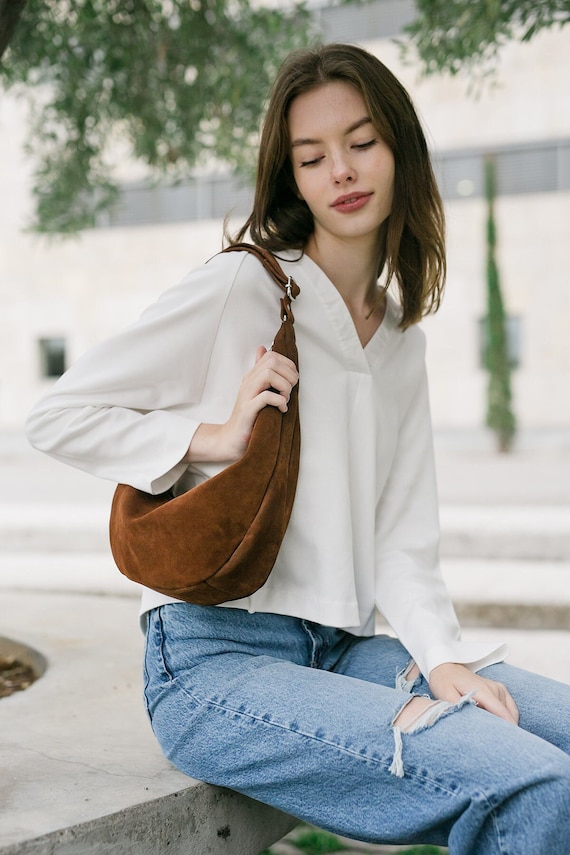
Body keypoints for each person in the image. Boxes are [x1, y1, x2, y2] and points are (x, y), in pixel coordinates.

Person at [26, 43, 570, 853]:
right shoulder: (241, 287)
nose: (341, 172)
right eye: (312, 158)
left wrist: (446, 659)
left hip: (344, 651)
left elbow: (403, 542)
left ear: (400, 151)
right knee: (534, 784)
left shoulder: (398, 339)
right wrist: (211, 437)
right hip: (213, 662)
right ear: (294, 179)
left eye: (361, 142)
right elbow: (57, 412)